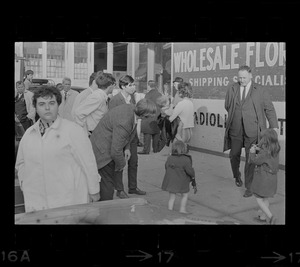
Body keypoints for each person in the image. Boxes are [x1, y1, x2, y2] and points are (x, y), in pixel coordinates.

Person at [15, 86, 100, 212]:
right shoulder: (29, 134)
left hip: (68, 200)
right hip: (36, 201)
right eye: (42, 104)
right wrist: (24, 183)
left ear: (58, 105)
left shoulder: (73, 131)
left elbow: (89, 164)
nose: (47, 108)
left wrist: (94, 191)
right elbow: (21, 163)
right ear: (36, 108)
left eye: (52, 103)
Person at [223, 65, 279, 198]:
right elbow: (227, 105)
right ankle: (237, 176)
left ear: (251, 76)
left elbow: (269, 109)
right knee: (234, 155)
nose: (241, 80)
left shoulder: (260, 90)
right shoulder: (232, 88)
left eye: (244, 78)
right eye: (239, 77)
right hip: (235, 128)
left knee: (250, 158)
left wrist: (274, 126)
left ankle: (249, 186)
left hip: (253, 130)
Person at [90, 98, 157, 201]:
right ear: (143, 115)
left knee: (106, 184)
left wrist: (127, 148)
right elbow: (115, 151)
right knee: (107, 187)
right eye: (150, 117)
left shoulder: (131, 109)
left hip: (105, 144)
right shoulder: (124, 121)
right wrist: (121, 164)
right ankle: (104, 211)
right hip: (102, 152)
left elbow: (131, 132)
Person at [108, 75, 146, 198]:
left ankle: (133, 187)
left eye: (134, 84)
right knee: (120, 163)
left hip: (132, 136)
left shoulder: (133, 98)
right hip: (120, 136)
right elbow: (113, 119)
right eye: (131, 85)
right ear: (123, 86)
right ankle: (119, 189)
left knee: (133, 162)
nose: (133, 87)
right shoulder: (115, 100)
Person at [249, 129, 280, 224]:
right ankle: (262, 217)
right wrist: (259, 149)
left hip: (263, 179)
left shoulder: (264, 153)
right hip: (272, 180)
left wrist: (252, 152)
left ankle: (271, 217)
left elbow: (255, 161)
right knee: (265, 198)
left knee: (259, 199)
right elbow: (266, 155)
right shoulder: (275, 149)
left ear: (265, 140)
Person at [161, 140, 197, 213]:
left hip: (171, 181)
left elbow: (166, 167)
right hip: (182, 181)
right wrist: (193, 177)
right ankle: (182, 209)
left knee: (172, 197)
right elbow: (190, 171)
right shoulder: (186, 159)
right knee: (184, 195)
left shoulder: (170, 157)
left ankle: (170, 210)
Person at [139, 80, 162, 155]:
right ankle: (156, 149)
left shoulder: (148, 95)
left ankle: (146, 150)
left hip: (148, 116)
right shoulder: (159, 94)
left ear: (149, 86)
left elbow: (145, 105)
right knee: (156, 133)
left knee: (147, 133)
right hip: (157, 116)